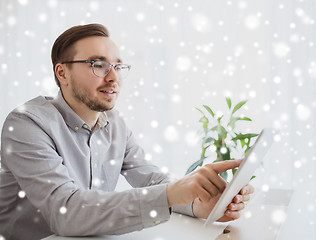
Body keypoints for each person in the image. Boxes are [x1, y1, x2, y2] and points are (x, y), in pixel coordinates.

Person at [0, 23, 254, 240]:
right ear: (62, 73)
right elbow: (66, 212)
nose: (113, 78)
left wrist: (199, 205)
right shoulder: (26, 124)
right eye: (98, 65)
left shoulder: (114, 124)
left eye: (118, 67)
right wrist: (171, 194)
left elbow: (152, 180)